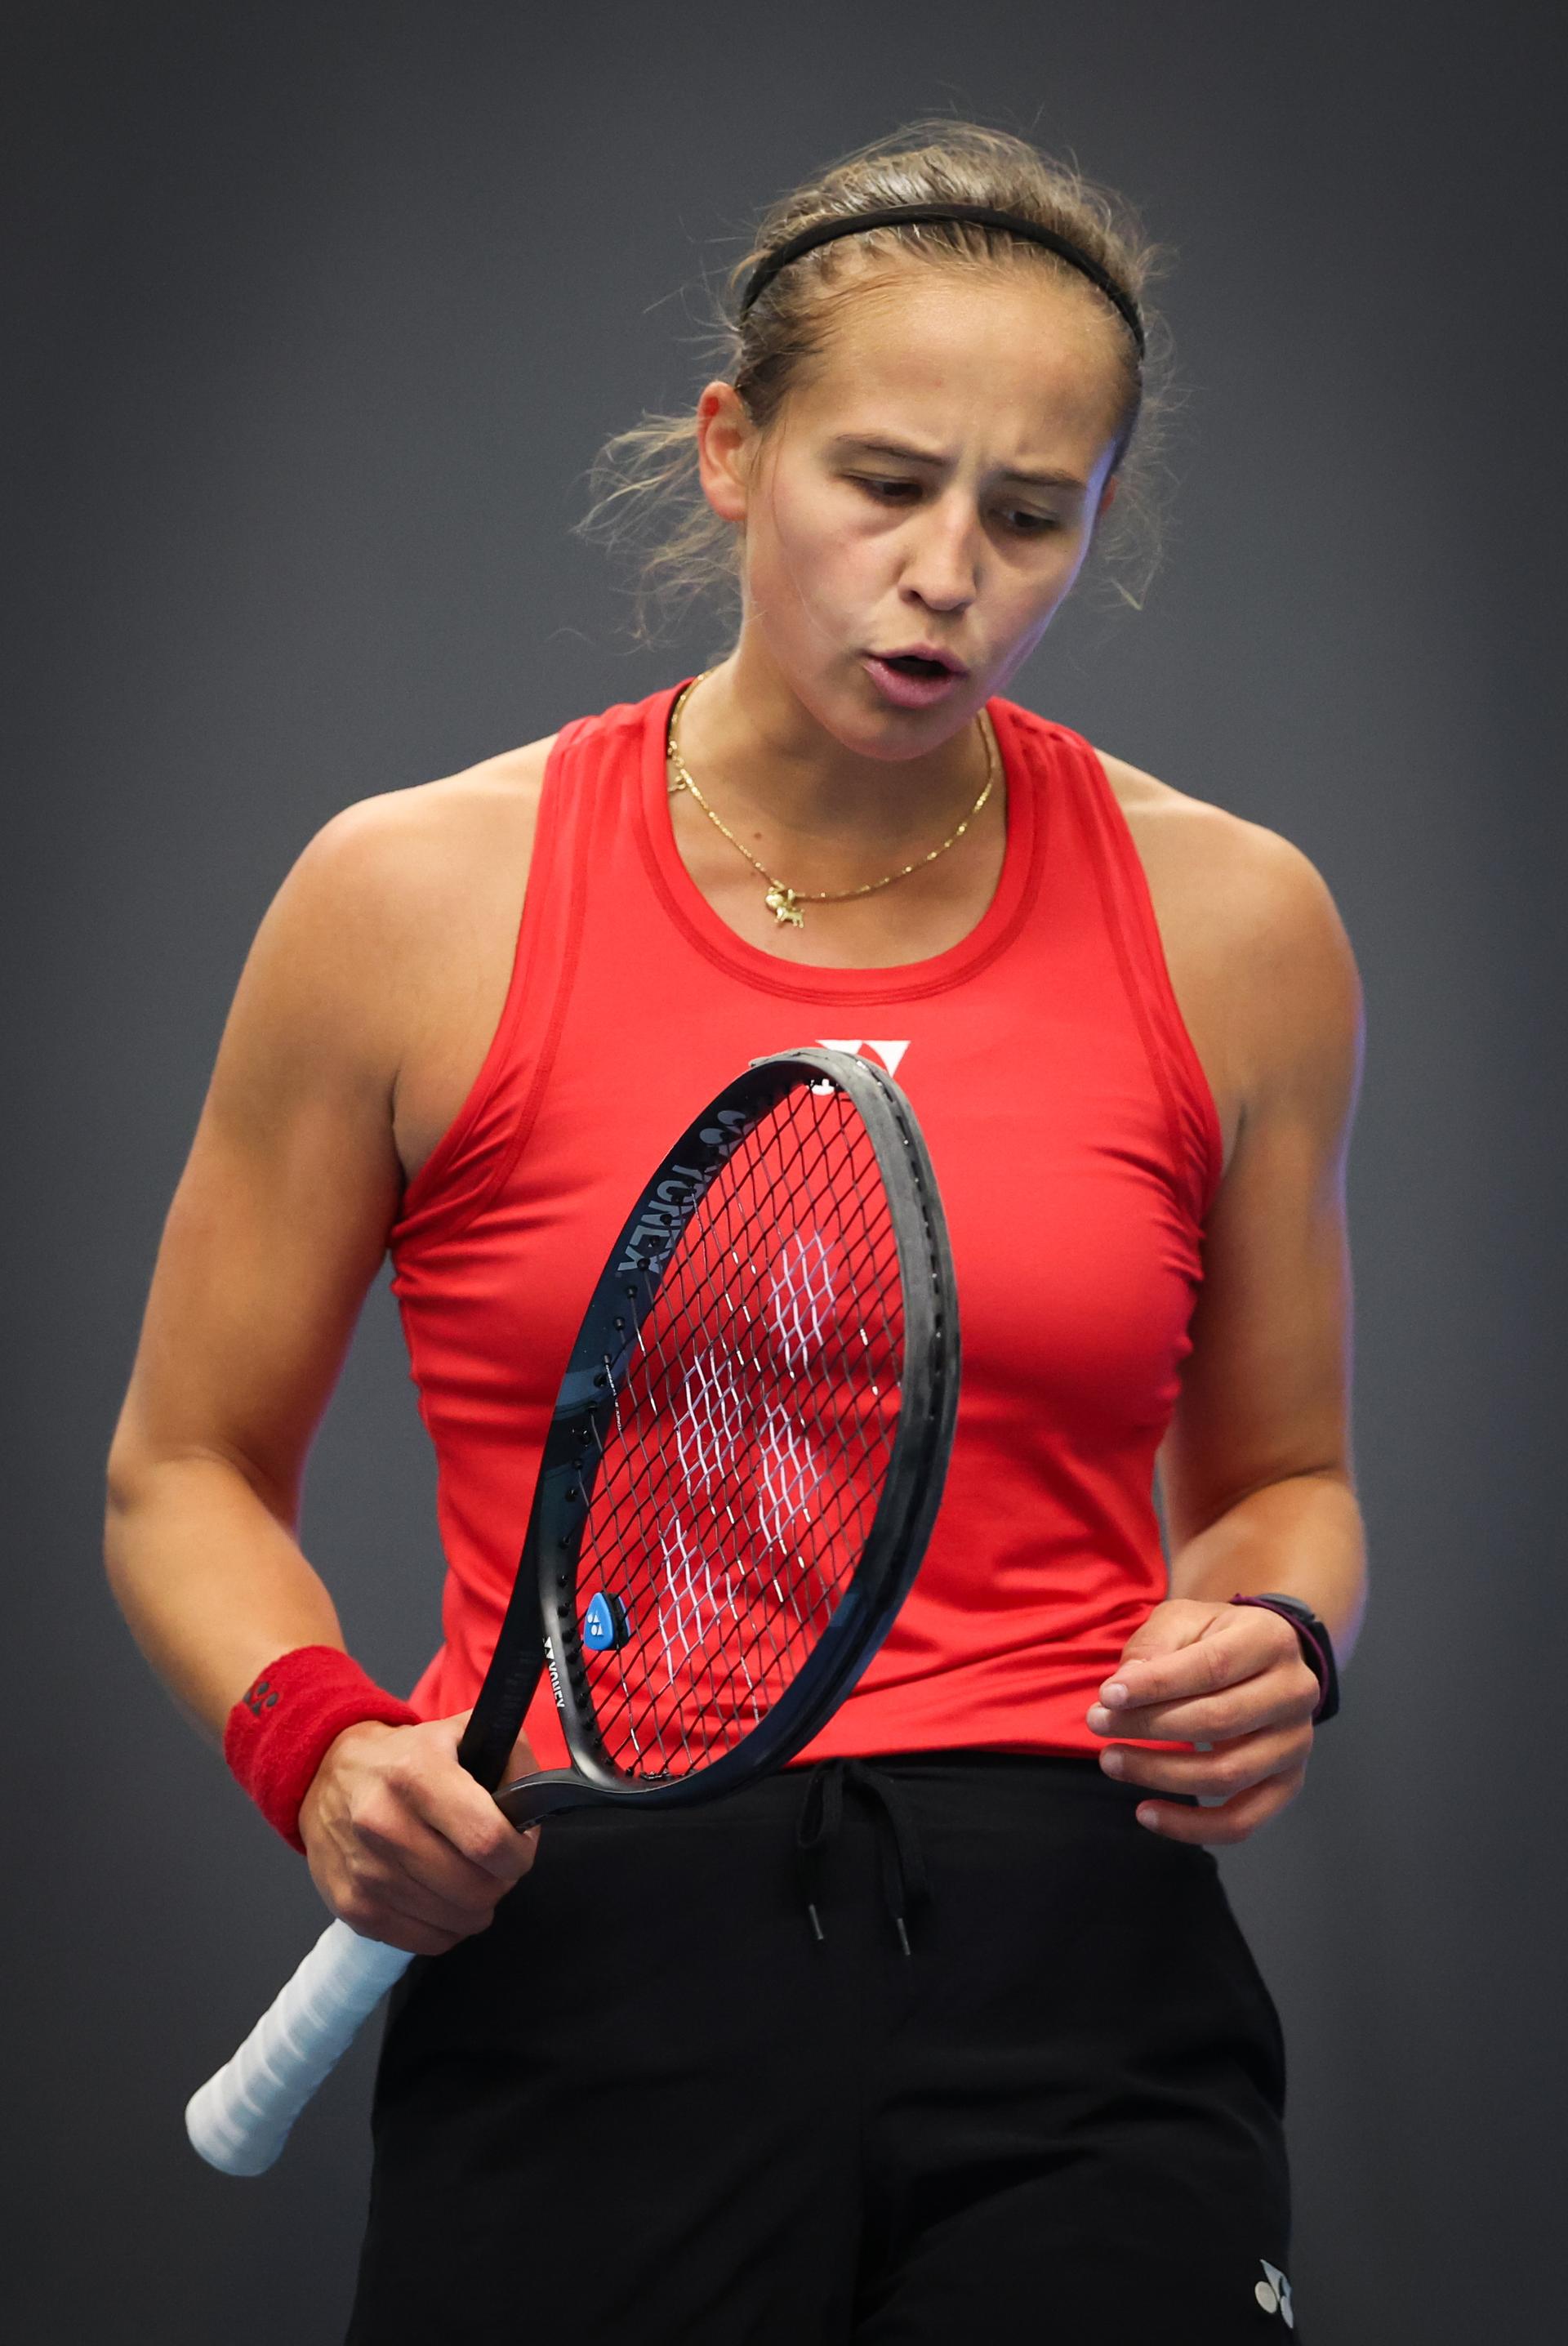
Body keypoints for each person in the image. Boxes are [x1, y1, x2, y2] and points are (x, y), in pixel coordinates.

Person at [105, 120, 1365, 2344]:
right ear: (728, 449)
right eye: (883, 481)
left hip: (1082, 1963)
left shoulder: (1241, 923)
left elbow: (1282, 1489)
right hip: (586, 1951)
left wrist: (1281, 1642)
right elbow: (180, 1469)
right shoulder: (410, 898)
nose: (949, 568)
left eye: (1031, 512)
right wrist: (316, 1743)